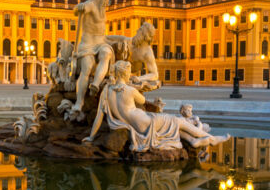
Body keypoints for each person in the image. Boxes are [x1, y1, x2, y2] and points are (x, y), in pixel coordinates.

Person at [84, 61, 229, 151]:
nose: (130, 74)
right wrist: (137, 84)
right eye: (129, 72)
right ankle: (210, 138)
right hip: (146, 123)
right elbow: (141, 100)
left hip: (136, 124)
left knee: (176, 125)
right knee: (178, 121)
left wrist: (91, 137)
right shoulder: (130, 90)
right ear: (124, 73)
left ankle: (193, 141)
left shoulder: (106, 91)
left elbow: (98, 116)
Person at [68, 0, 116, 120]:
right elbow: (76, 10)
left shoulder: (103, 9)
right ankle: (79, 101)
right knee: (87, 67)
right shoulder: (90, 5)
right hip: (87, 44)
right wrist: (79, 7)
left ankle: (95, 83)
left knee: (107, 53)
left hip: (101, 42)